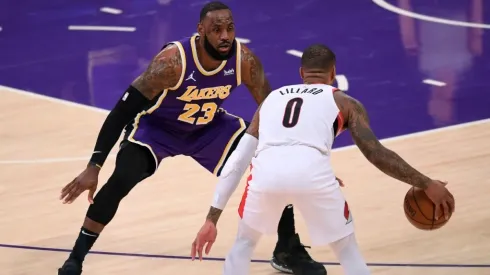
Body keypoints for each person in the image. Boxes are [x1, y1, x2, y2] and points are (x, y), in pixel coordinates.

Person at [57, 2, 325, 275]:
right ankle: (75, 259)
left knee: (274, 165)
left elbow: (271, 112)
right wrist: (94, 165)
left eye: (230, 29)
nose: (224, 36)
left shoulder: (244, 61)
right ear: (201, 31)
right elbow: (122, 111)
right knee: (123, 178)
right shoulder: (171, 62)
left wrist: (292, 154)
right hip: (158, 128)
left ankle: (287, 249)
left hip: (208, 128)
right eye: (216, 29)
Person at [190, 44, 455, 275]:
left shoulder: (270, 100)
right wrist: (425, 182)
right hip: (314, 177)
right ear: (333, 73)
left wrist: (211, 219)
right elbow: (376, 153)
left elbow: (238, 160)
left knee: (244, 243)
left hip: (265, 177)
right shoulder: (344, 101)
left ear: (301, 74)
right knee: (347, 250)